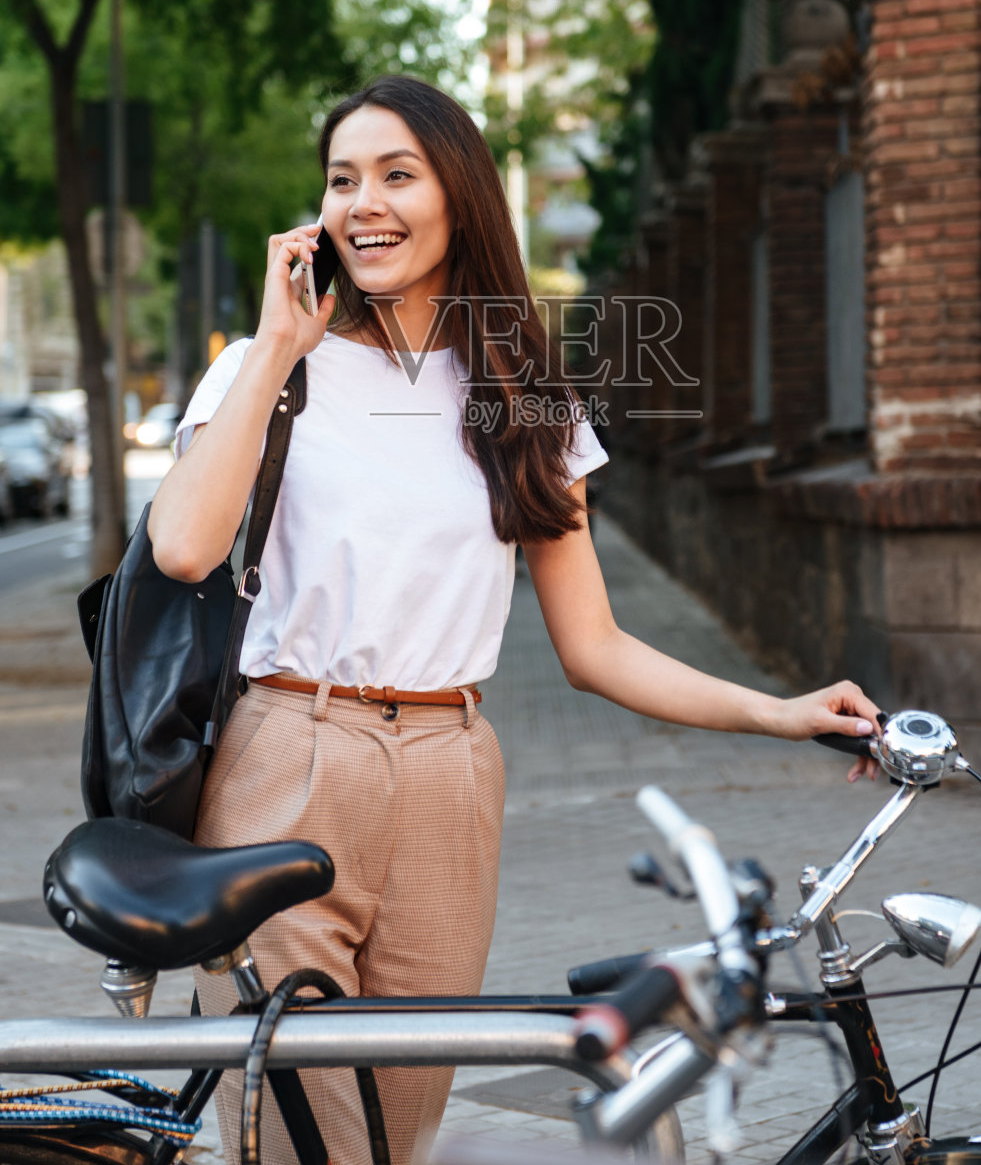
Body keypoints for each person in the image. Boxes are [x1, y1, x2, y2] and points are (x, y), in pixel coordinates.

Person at [148, 74, 881, 1165]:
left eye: (398, 174)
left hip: (451, 776)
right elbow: (182, 547)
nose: (364, 203)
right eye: (342, 180)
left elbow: (594, 646)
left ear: (461, 196)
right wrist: (273, 347)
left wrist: (778, 712)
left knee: (402, 1132)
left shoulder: (526, 396)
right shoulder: (270, 372)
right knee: (303, 1135)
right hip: (289, 755)